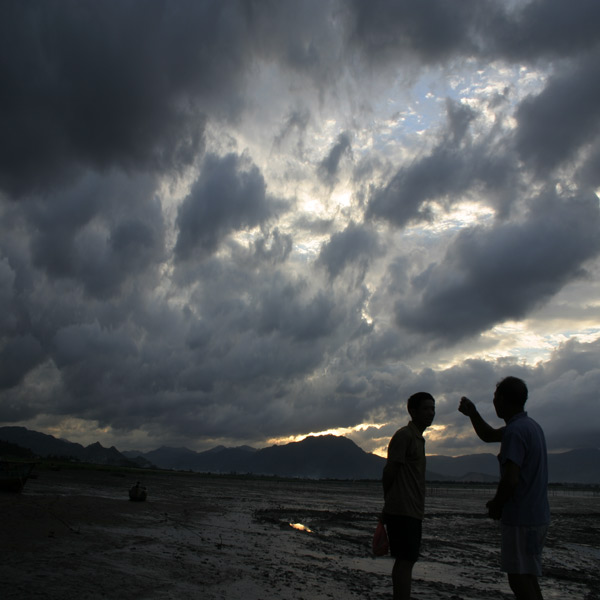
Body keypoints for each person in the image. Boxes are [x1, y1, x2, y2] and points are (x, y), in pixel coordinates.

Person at [458, 376, 550, 600]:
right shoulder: (530, 427)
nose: (493, 402)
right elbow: (488, 435)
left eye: (495, 397)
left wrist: (497, 504)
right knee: (528, 576)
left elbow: (510, 479)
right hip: (536, 516)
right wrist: (473, 413)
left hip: (521, 518)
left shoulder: (515, 432)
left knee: (519, 579)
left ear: (503, 400)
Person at [382, 391, 436, 600]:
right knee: (405, 560)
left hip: (413, 509)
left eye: (433, 408)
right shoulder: (404, 435)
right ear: (412, 411)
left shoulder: (418, 438)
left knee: (408, 559)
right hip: (403, 509)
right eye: (426, 408)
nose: (431, 413)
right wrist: (389, 502)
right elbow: (389, 471)